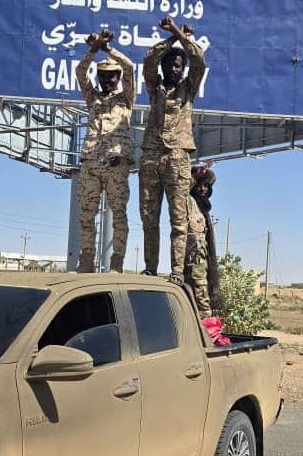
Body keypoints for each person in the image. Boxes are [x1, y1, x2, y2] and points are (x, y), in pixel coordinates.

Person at [139, 16, 206, 283]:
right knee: (148, 218)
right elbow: (148, 60)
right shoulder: (154, 87)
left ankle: (176, 270)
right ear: (165, 66)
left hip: (178, 158)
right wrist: (172, 39)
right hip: (151, 157)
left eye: (180, 66)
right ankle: (150, 267)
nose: (176, 69)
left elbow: (199, 60)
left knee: (179, 221)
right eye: (172, 65)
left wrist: (181, 35)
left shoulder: (188, 88)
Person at [74, 29, 136, 273]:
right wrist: (94, 49)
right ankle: (87, 258)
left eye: (112, 76)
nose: (108, 80)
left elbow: (130, 67)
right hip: (91, 163)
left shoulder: (126, 98)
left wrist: (108, 49)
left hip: (115, 164)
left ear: (118, 78)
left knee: (119, 214)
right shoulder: (93, 99)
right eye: (103, 76)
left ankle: (117, 262)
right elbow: (80, 71)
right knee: (86, 214)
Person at [185, 163, 222, 318]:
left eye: (207, 186)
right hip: (191, 266)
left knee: (202, 307)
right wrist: (195, 175)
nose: (203, 189)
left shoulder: (204, 209)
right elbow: (181, 188)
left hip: (201, 266)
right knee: (200, 308)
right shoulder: (188, 202)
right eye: (200, 185)